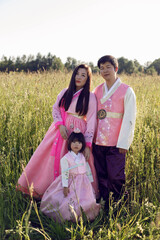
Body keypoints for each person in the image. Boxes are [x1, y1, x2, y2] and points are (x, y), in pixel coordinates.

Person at [17, 64, 98, 199]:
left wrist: (88, 145)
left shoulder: (90, 97)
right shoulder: (65, 92)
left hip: (77, 133)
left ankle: (76, 196)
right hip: (60, 131)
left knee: (75, 162)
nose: (79, 77)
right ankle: (43, 190)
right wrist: (60, 125)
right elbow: (55, 109)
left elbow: (91, 121)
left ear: (87, 79)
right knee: (51, 159)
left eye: (83, 75)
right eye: (77, 74)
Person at [92, 55, 136, 205]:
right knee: (101, 174)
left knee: (116, 176)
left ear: (116, 69)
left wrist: (124, 142)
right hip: (98, 141)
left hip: (116, 142)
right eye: (101, 68)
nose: (104, 71)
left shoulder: (126, 91)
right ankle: (105, 204)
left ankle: (118, 205)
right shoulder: (97, 90)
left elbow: (130, 117)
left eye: (108, 67)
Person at [40, 132, 100, 222]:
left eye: (79, 143)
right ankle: (68, 215)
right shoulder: (66, 158)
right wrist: (65, 185)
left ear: (82, 145)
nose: (76, 144)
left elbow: (86, 168)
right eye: (74, 142)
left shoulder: (82, 157)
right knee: (69, 199)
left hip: (83, 182)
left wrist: (90, 180)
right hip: (71, 181)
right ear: (69, 143)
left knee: (87, 198)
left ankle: (84, 213)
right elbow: (64, 173)